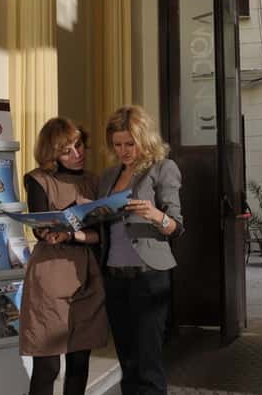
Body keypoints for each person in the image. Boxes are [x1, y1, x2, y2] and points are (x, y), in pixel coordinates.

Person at [20, 117, 108, 395]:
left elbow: (102, 235)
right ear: (52, 154)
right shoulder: (38, 179)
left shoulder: (94, 181)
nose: (76, 154)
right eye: (66, 150)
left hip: (86, 276)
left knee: (79, 361)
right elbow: (41, 231)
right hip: (50, 277)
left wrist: (73, 234)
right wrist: (70, 217)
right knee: (47, 366)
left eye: (78, 145)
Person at [98, 105, 183, 395]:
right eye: (117, 144)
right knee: (128, 363)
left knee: (148, 364)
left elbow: (176, 227)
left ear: (144, 139)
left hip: (148, 277)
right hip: (113, 276)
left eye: (129, 144)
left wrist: (155, 214)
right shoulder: (108, 176)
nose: (123, 151)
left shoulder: (163, 169)